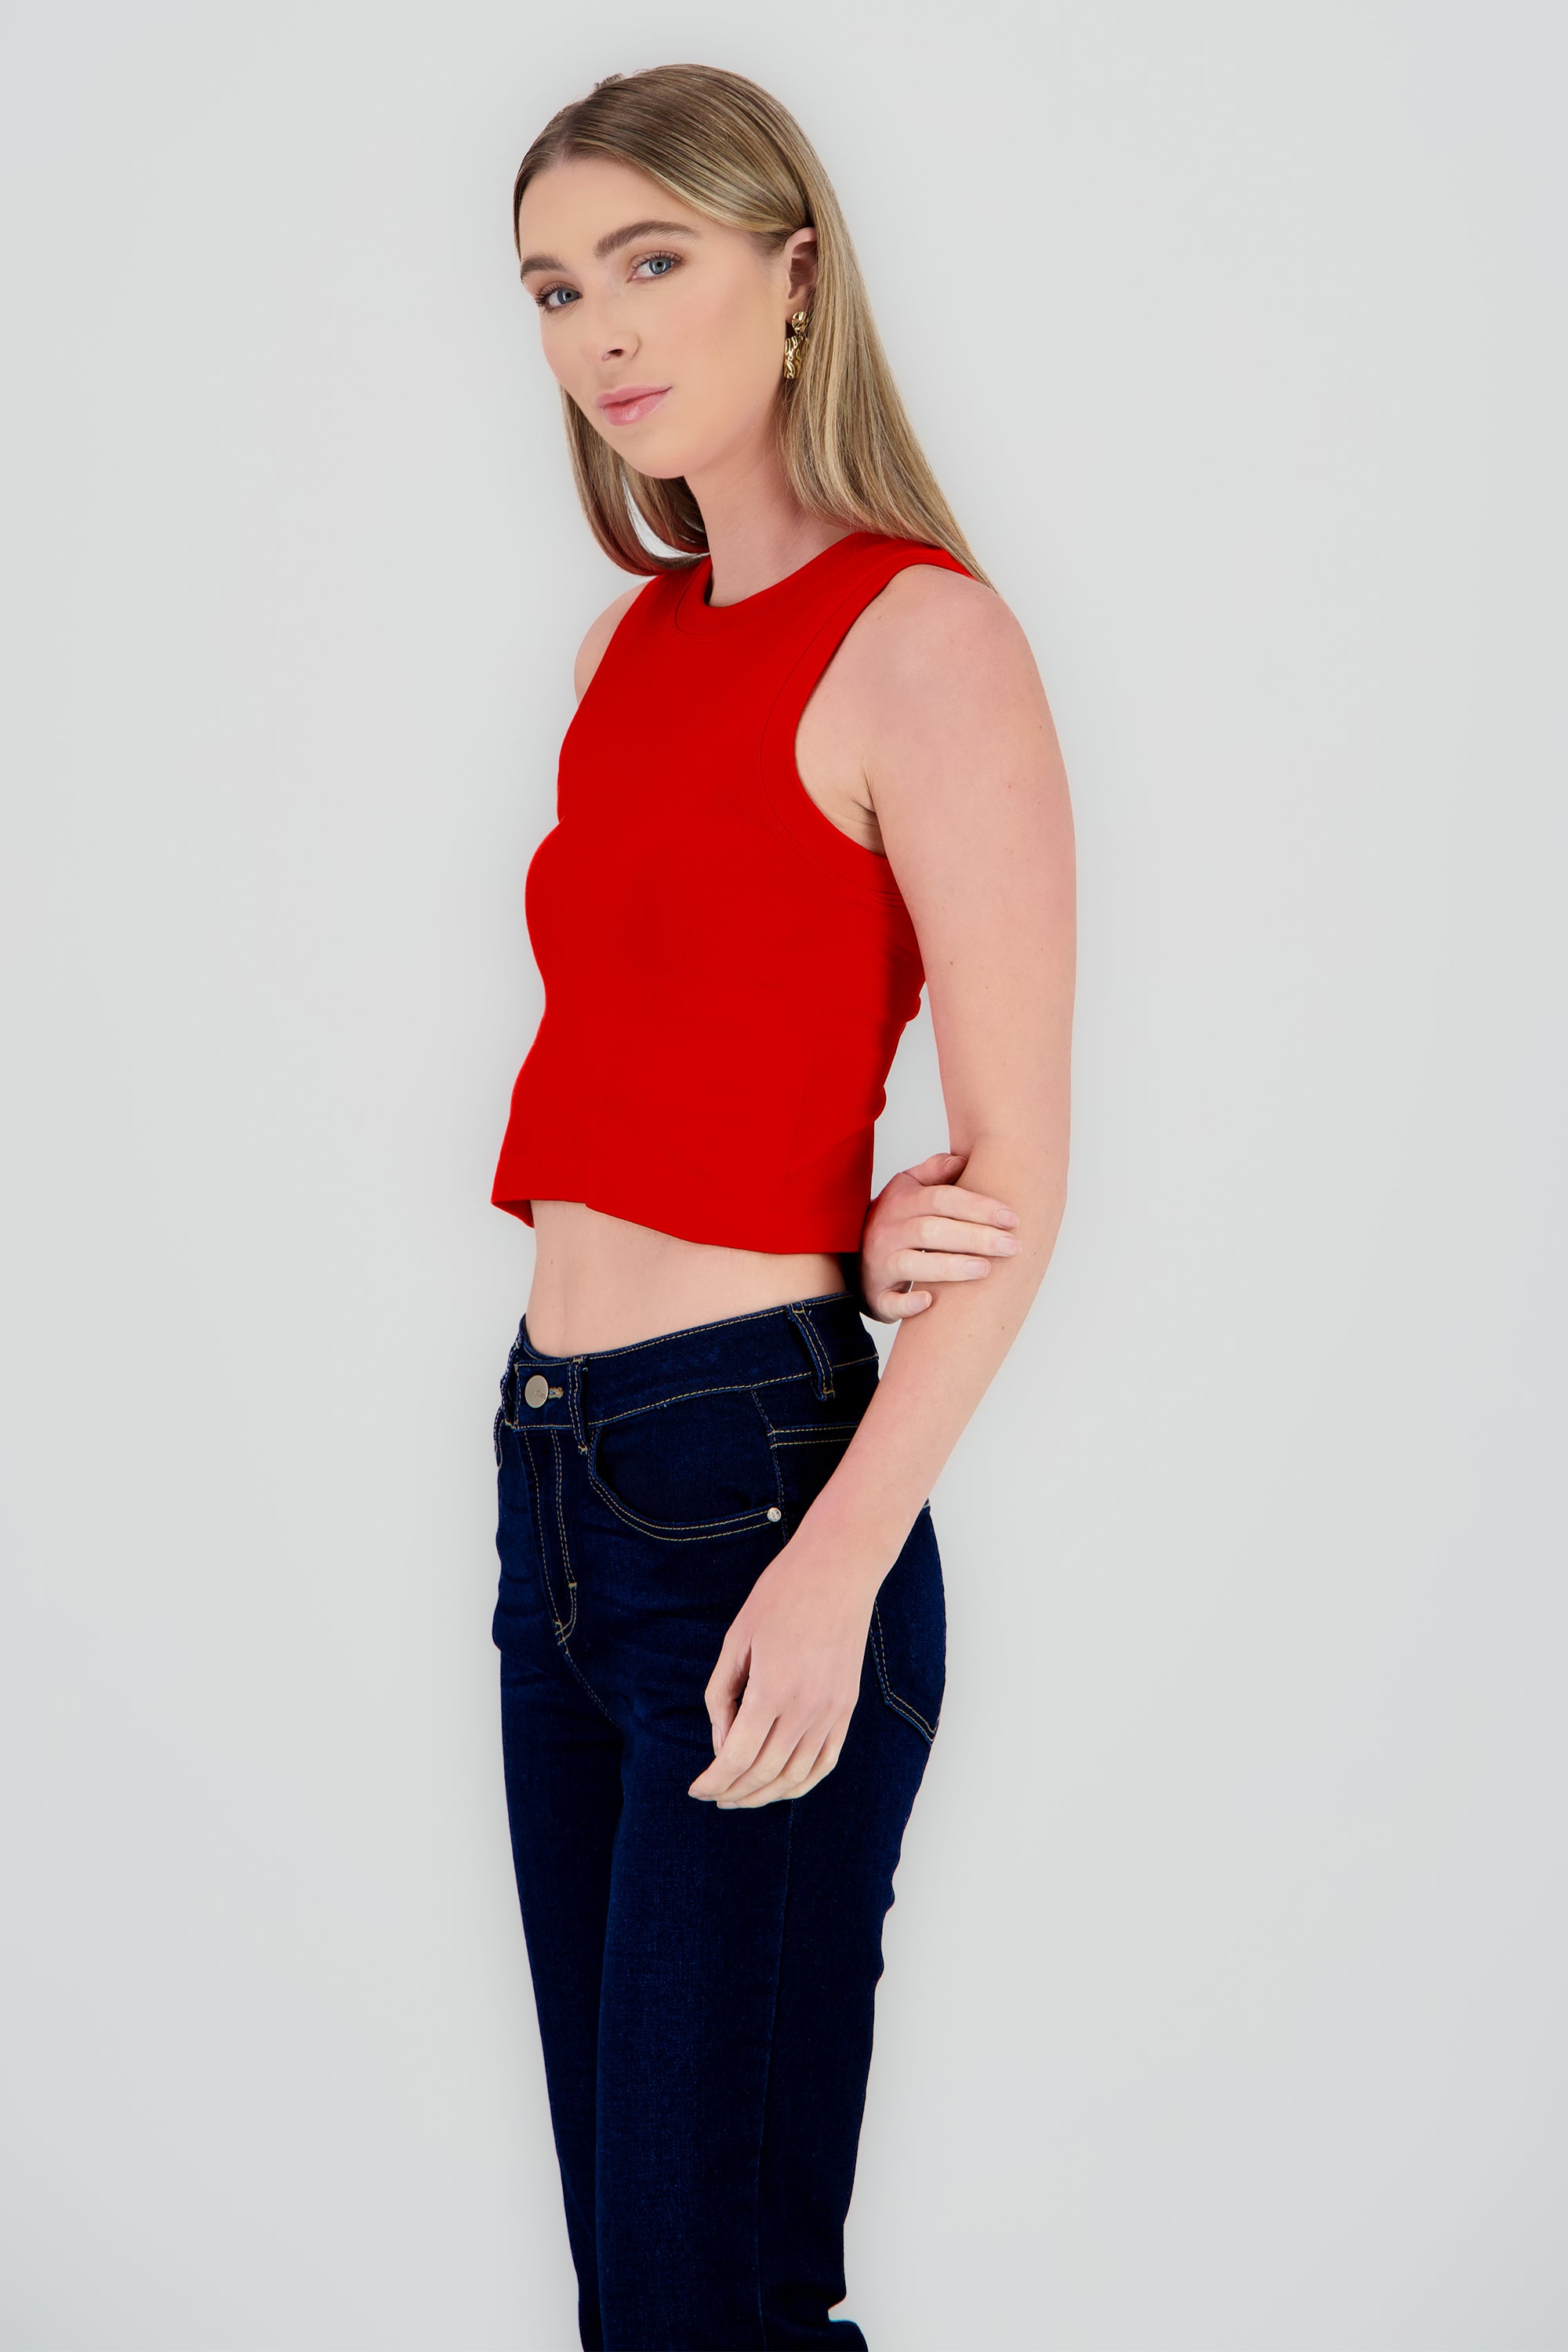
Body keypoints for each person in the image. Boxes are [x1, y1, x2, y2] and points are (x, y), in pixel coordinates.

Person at [488, 62, 1075, 2351]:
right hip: (555, 1473)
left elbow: (1026, 1169)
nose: (605, 330)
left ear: (796, 274)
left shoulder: (927, 639)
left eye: (654, 260)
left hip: (756, 1491)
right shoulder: (623, 653)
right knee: (651, 2295)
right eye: (557, 287)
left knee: (708, 2299)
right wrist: (849, 1211)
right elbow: (681, 1065)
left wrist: (836, 1564)